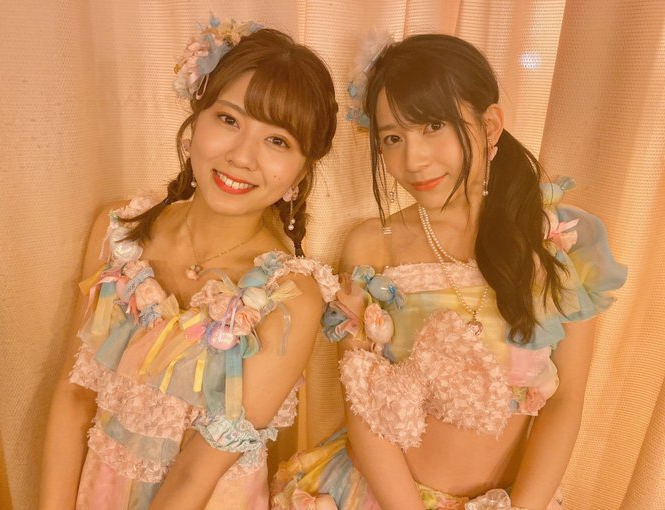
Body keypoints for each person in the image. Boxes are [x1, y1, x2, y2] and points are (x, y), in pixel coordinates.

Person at [271, 33, 627, 510]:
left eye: (434, 125)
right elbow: (362, 404)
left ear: (490, 124)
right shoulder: (372, 245)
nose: (413, 160)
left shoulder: (560, 243)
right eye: (393, 138)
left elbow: (566, 401)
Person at [39, 16, 339, 510]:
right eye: (229, 120)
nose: (242, 156)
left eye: (277, 141)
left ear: (301, 172)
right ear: (196, 120)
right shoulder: (119, 232)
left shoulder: (291, 298)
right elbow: (73, 397)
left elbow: (196, 475)